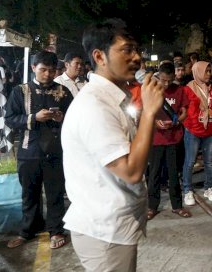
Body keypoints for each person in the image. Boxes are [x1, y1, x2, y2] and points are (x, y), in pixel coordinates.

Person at [62, 19, 164, 272]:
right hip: (105, 232)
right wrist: (149, 113)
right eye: (127, 50)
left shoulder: (114, 98)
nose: (137, 58)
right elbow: (130, 171)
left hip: (115, 227)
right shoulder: (94, 106)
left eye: (137, 50)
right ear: (100, 56)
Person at [5, 51, 73, 250]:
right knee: (29, 193)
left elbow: (74, 119)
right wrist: (34, 118)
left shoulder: (63, 91)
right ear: (33, 68)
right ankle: (28, 230)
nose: (47, 74)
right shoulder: (20, 91)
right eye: (43, 70)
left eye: (52, 71)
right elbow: (9, 119)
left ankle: (56, 230)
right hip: (29, 150)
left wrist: (61, 119)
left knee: (55, 193)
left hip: (55, 151)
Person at [147, 62, 191, 220]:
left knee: (173, 174)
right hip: (156, 139)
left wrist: (177, 121)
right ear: (158, 76)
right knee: (154, 174)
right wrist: (154, 122)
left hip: (174, 138)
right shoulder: (151, 91)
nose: (166, 84)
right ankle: (151, 206)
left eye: (170, 80)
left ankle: (177, 206)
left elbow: (185, 112)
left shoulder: (179, 90)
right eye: (164, 80)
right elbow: (144, 112)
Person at [182, 61, 212, 205]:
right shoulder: (189, 88)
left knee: (209, 162)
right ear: (198, 72)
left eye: (210, 71)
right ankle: (187, 190)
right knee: (190, 161)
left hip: (209, 130)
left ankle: (209, 187)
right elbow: (189, 112)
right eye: (206, 71)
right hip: (194, 130)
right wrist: (202, 117)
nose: (209, 74)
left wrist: (211, 114)